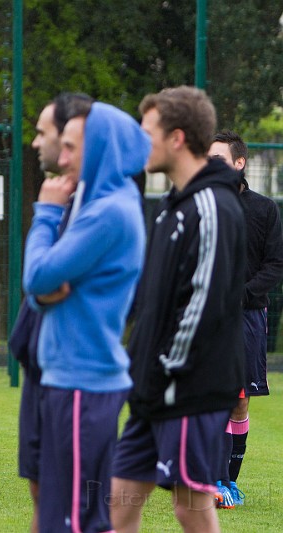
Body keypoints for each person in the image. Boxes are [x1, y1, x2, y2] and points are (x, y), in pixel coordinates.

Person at [110, 87, 246, 533]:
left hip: (187, 390)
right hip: (152, 390)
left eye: (146, 133)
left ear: (177, 138)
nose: (137, 144)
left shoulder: (213, 207)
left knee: (191, 508)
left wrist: (165, 370)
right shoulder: (171, 207)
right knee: (119, 500)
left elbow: (204, 304)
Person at [21, 100, 150, 533]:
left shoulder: (108, 210)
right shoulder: (100, 202)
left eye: (72, 147)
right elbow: (42, 289)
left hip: (84, 382)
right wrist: (41, 295)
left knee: (76, 520)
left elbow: (38, 274)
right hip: (71, 380)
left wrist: (46, 211)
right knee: (65, 516)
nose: (61, 157)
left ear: (100, 148)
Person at [9, 92, 94, 533]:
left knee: (76, 506)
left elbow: (43, 282)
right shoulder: (61, 196)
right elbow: (41, 284)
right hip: (41, 366)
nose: (36, 142)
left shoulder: (93, 205)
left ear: (71, 137)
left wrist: (45, 213)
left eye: (43, 132)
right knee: (41, 492)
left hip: (74, 374)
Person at [208, 130, 283, 507]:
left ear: (239, 164)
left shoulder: (265, 209)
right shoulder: (200, 206)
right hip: (207, 319)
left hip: (249, 317)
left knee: (239, 402)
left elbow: (275, 266)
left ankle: (228, 482)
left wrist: (240, 295)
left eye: (219, 159)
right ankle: (213, 480)